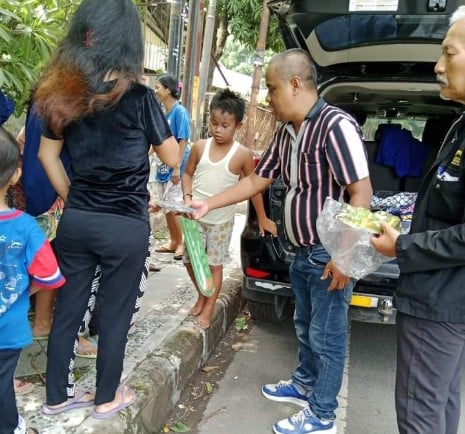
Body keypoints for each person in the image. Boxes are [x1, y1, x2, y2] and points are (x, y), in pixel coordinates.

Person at [190, 49, 373, 433]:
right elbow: (258, 179)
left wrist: (344, 256)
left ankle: (322, 413)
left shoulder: (334, 126)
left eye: (272, 89)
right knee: (305, 324)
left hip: (328, 252)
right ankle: (305, 385)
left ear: (294, 84)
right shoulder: (288, 131)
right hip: (302, 250)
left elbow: (361, 192)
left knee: (328, 334)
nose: (268, 99)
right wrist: (208, 203)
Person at [33, 0, 179, 419]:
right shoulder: (139, 98)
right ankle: (106, 398)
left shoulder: (65, 94)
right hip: (125, 226)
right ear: (129, 41)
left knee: (68, 310)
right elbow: (170, 157)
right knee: (114, 316)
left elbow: (47, 157)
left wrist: (75, 193)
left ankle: (56, 397)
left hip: (77, 222)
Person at [371, 6, 465, 434]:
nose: (437, 65)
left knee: (420, 415)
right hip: (446, 299)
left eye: (449, 53)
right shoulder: (460, 128)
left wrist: (401, 247)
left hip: (440, 303)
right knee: (440, 407)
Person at [182, 88, 277, 330]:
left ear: (239, 125)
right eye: (214, 123)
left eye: (225, 125)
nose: (218, 129)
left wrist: (263, 218)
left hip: (221, 223)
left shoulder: (242, 155)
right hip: (194, 218)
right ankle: (203, 294)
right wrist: (186, 196)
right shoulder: (199, 147)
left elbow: (253, 188)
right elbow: (188, 173)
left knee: (214, 265)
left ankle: (209, 308)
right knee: (190, 261)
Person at [16, 104, 99, 358]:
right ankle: (69, 332)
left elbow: (23, 138)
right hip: (58, 187)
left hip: (35, 184)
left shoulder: (44, 96)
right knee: (67, 260)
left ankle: (42, 322)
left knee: (46, 255)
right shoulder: (72, 99)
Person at [0, 126, 65, 434]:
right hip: (8, 327)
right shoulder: (26, 228)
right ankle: (12, 427)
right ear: (15, 176)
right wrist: (20, 291)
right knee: (2, 384)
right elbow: (50, 277)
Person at [153, 73, 191, 262]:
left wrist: (176, 167)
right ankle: (173, 241)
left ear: (168, 90)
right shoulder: (162, 112)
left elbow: (183, 140)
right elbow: (156, 141)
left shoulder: (179, 112)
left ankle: (182, 243)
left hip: (176, 167)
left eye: (158, 86)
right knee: (167, 207)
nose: (156, 90)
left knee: (176, 206)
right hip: (163, 168)